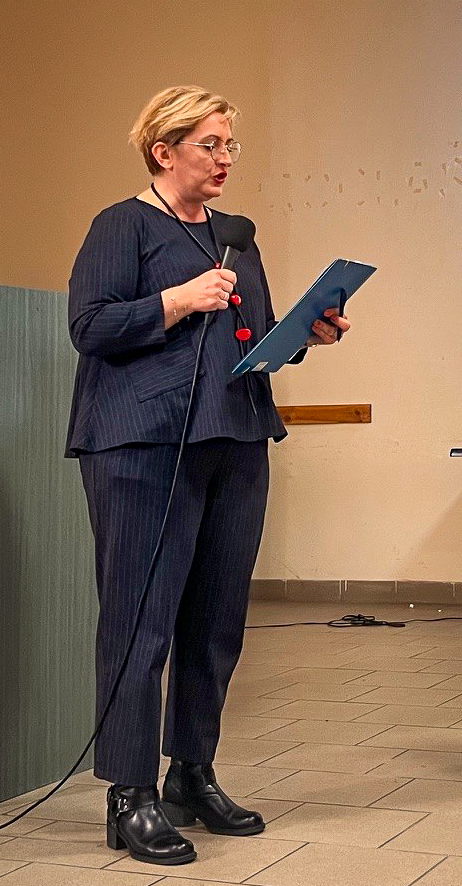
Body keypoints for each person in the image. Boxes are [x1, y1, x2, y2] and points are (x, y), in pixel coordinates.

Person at [65, 85, 351, 867]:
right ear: (163, 151)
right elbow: (89, 325)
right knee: (141, 622)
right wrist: (176, 300)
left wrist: (305, 335)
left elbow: (250, 335)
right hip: (143, 446)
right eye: (210, 144)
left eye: (230, 145)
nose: (226, 159)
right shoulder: (121, 226)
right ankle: (129, 794)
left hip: (236, 437)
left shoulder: (236, 238)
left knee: (217, 621)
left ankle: (191, 773)